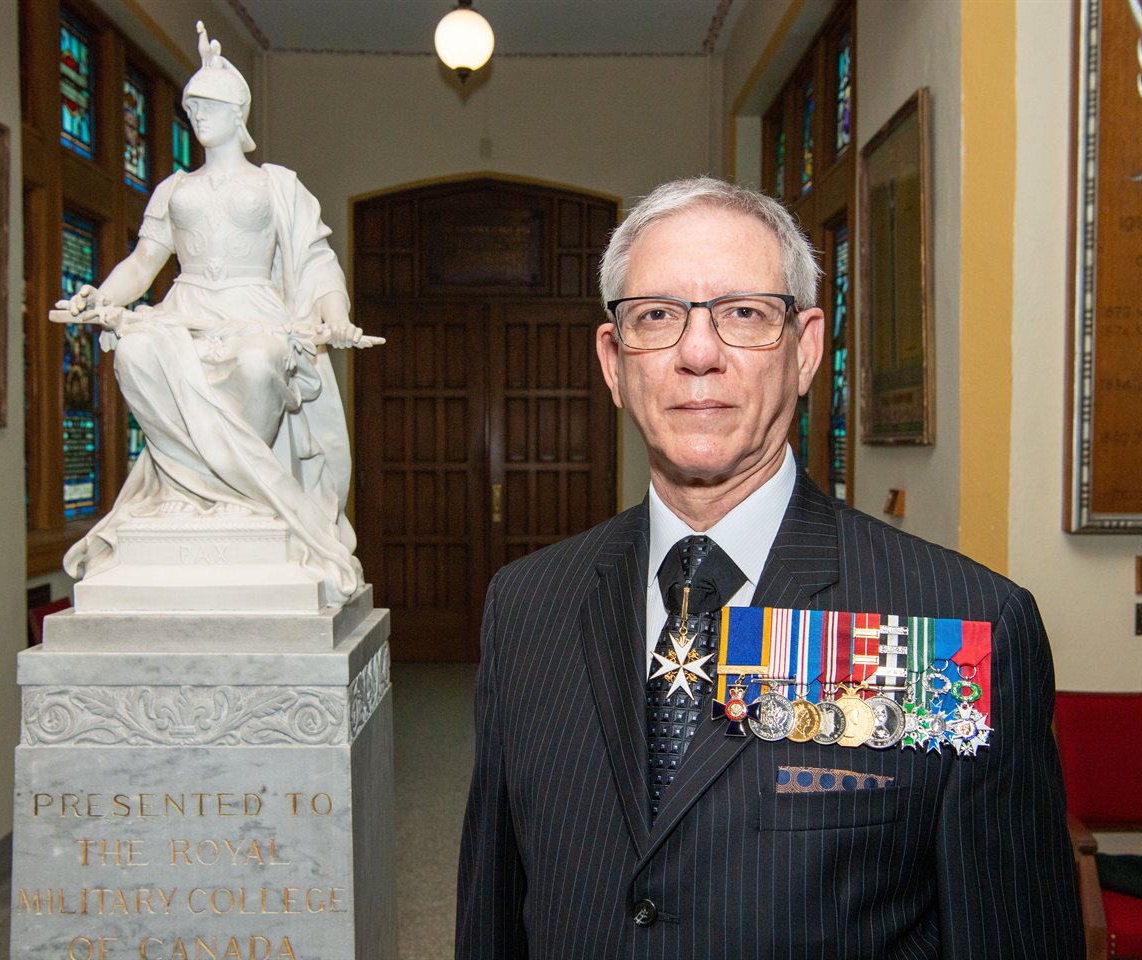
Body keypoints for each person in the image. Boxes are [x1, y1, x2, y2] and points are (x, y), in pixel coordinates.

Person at [456, 177, 1082, 958]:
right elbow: (494, 913)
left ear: (806, 348)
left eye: (743, 314)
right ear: (615, 363)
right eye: (657, 316)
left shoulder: (956, 627)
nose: (697, 353)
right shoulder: (525, 608)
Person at [56, 22, 380, 604]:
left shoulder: (276, 185)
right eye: (191, 107)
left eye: (208, 105)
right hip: (187, 304)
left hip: (255, 308)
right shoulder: (173, 189)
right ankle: (188, 484)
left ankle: (242, 491)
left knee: (259, 364)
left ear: (239, 112)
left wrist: (336, 315)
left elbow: (314, 258)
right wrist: (101, 298)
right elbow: (142, 263)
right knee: (133, 350)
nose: (198, 116)